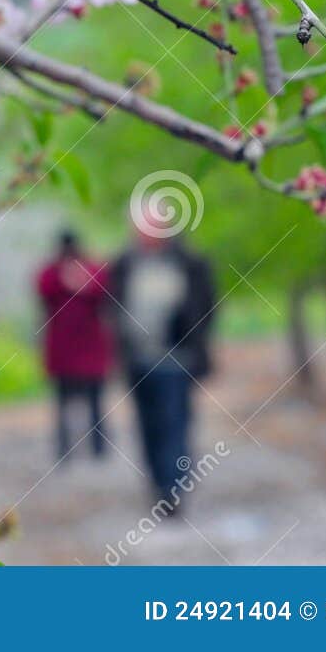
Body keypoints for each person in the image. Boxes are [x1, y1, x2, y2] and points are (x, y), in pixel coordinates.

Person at [106, 216, 216, 516]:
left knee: (175, 423)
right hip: (138, 361)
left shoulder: (191, 263)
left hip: (177, 360)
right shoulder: (124, 263)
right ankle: (158, 483)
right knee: (148, 424)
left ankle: (174, 487)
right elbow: (112, 306)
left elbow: (208, 306)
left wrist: (196, 344)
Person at [35, 229, 112, 461]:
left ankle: (98, 449)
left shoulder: (92, 271)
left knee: (95, 403)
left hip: (90, 350)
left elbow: (105, 291)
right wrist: (65, 279)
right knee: (63, 404)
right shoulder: (51, 273)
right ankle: (64, 449)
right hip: (63, 351)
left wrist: (83, 281)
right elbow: (43, 288)